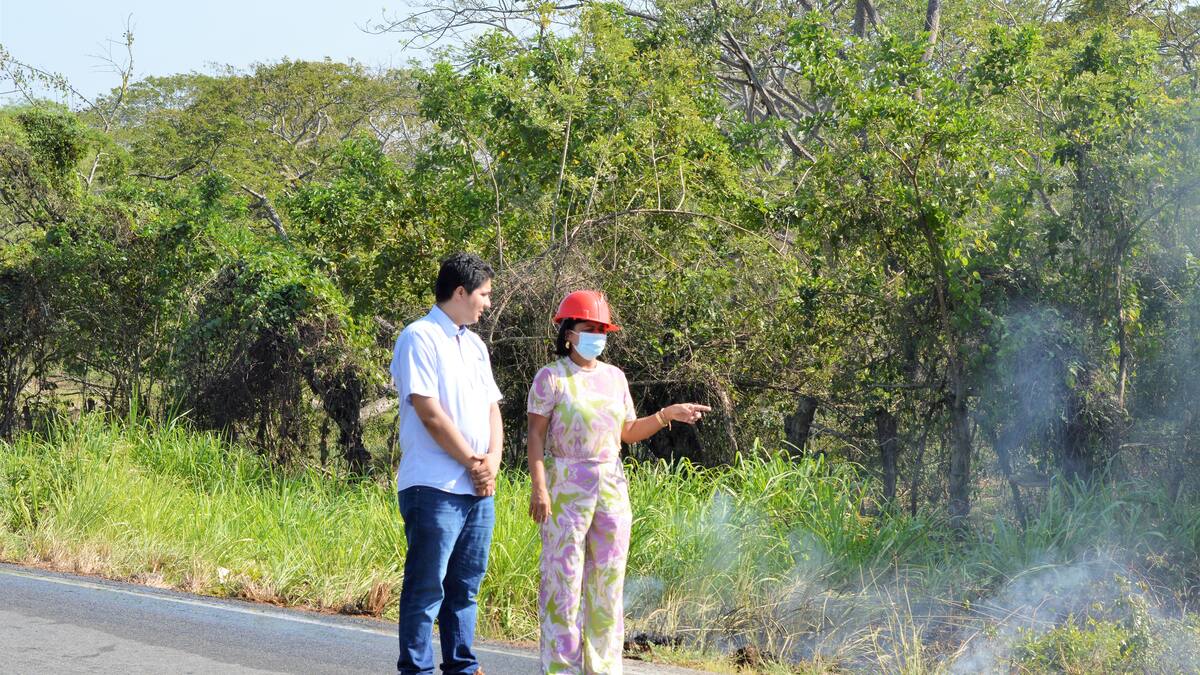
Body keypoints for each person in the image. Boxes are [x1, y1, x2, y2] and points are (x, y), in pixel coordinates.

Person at [525, 290, 711, 675]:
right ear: (568, 333)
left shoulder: (615, 378)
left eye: (602, 329)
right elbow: (536, 437)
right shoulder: (551, 378)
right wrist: (539, 488)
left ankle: (604, 666)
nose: (596, 336)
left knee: (608, 582)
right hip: (565, 488)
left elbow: (627, 432)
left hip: (611, 487)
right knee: (563, 581)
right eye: (589, 328)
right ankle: (561, 667)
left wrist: (667, 414)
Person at [390, 252, 503, 675]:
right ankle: (417, 670)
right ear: (460, 292)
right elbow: (429, 412)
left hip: (478, 490)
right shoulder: (419, 337)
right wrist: (473, 462)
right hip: (434, 486)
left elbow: (492, 409)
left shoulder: (475, 345)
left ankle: (462, 667)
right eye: (484, 294)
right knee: (426, 588)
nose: (487, 303)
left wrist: (491, 462)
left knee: (465, 588)